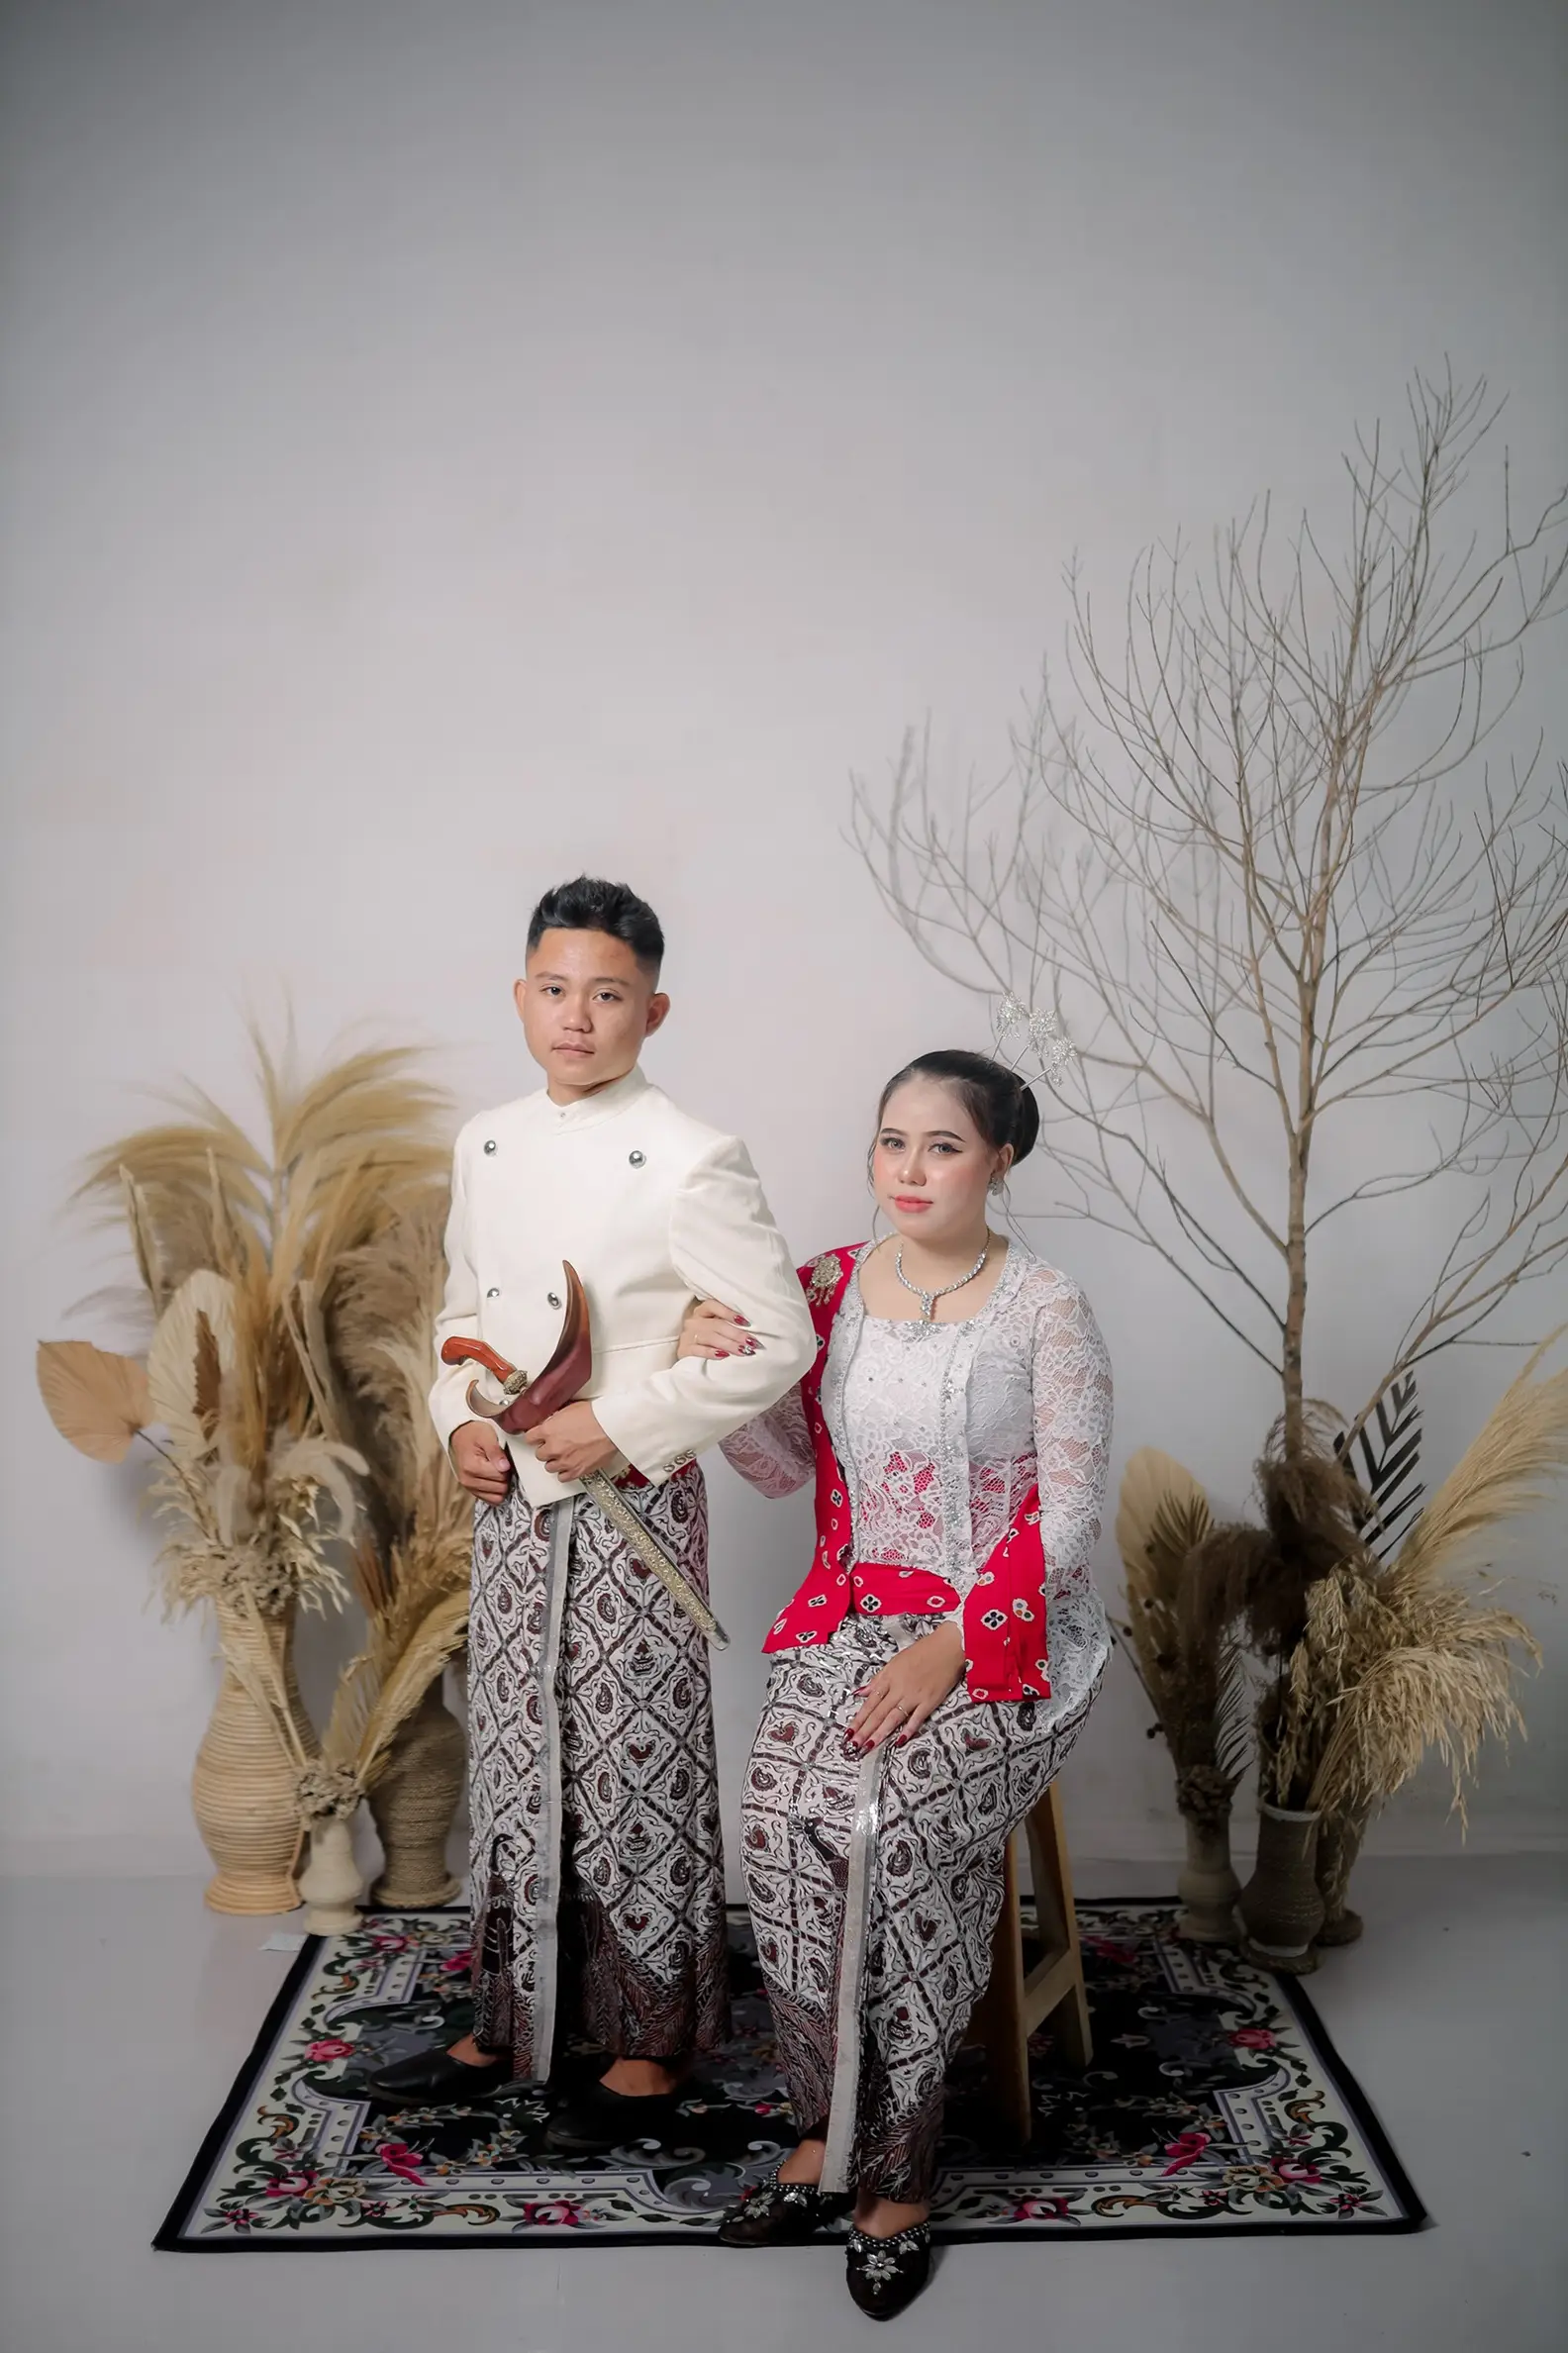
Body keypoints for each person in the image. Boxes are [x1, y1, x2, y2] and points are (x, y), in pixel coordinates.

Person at [366, 876, 816, 2153]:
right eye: (555, 989)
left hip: (634, 1504)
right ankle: (512, 2021)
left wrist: (625, 1421)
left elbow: (776, 1339)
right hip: (513, 1500)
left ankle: (648, 2043)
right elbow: (460, 1312)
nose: (577, 1016)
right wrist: (458, 1419)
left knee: (635, 1761)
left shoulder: (691, 1153)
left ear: (652, 1011)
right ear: (520, 997)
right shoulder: (486, 1140)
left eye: (608, 994)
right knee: (517, 1749)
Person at [680, 1048, 1113, 2320]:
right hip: (852, 1616)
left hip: (1011, 1631)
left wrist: (957, 1643)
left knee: (899, 1825)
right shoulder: (825, 1288)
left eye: (942, 1145)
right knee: (780, 1817)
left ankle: (900, 2176)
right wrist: (720, 1372)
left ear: (1000, 1160)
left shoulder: (1046, 1306)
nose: (909, 1170)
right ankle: (824, 2125)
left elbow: (1072, 1513)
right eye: (891, 1141)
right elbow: (780, 1466)